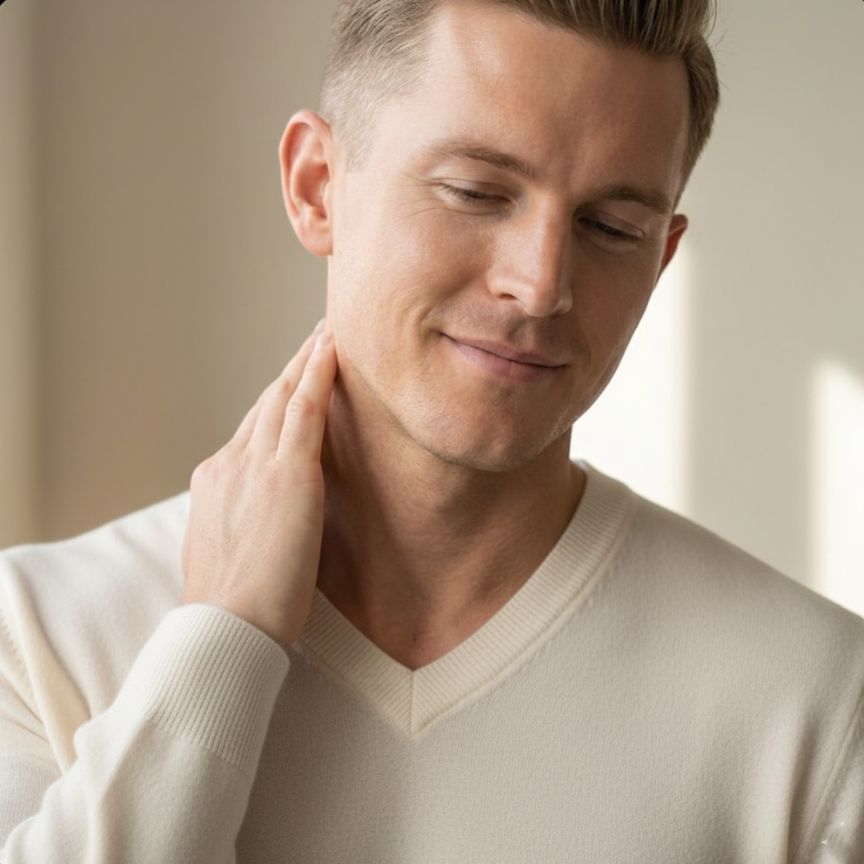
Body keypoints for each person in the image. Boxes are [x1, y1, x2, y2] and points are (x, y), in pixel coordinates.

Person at [1, 0, 862, 860]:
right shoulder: (37, 636)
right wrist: (222, 641)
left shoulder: (820, 703)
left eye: (611, 227)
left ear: (661, 258)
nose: (539, 284)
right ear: (316, 187)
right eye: (476, 192)